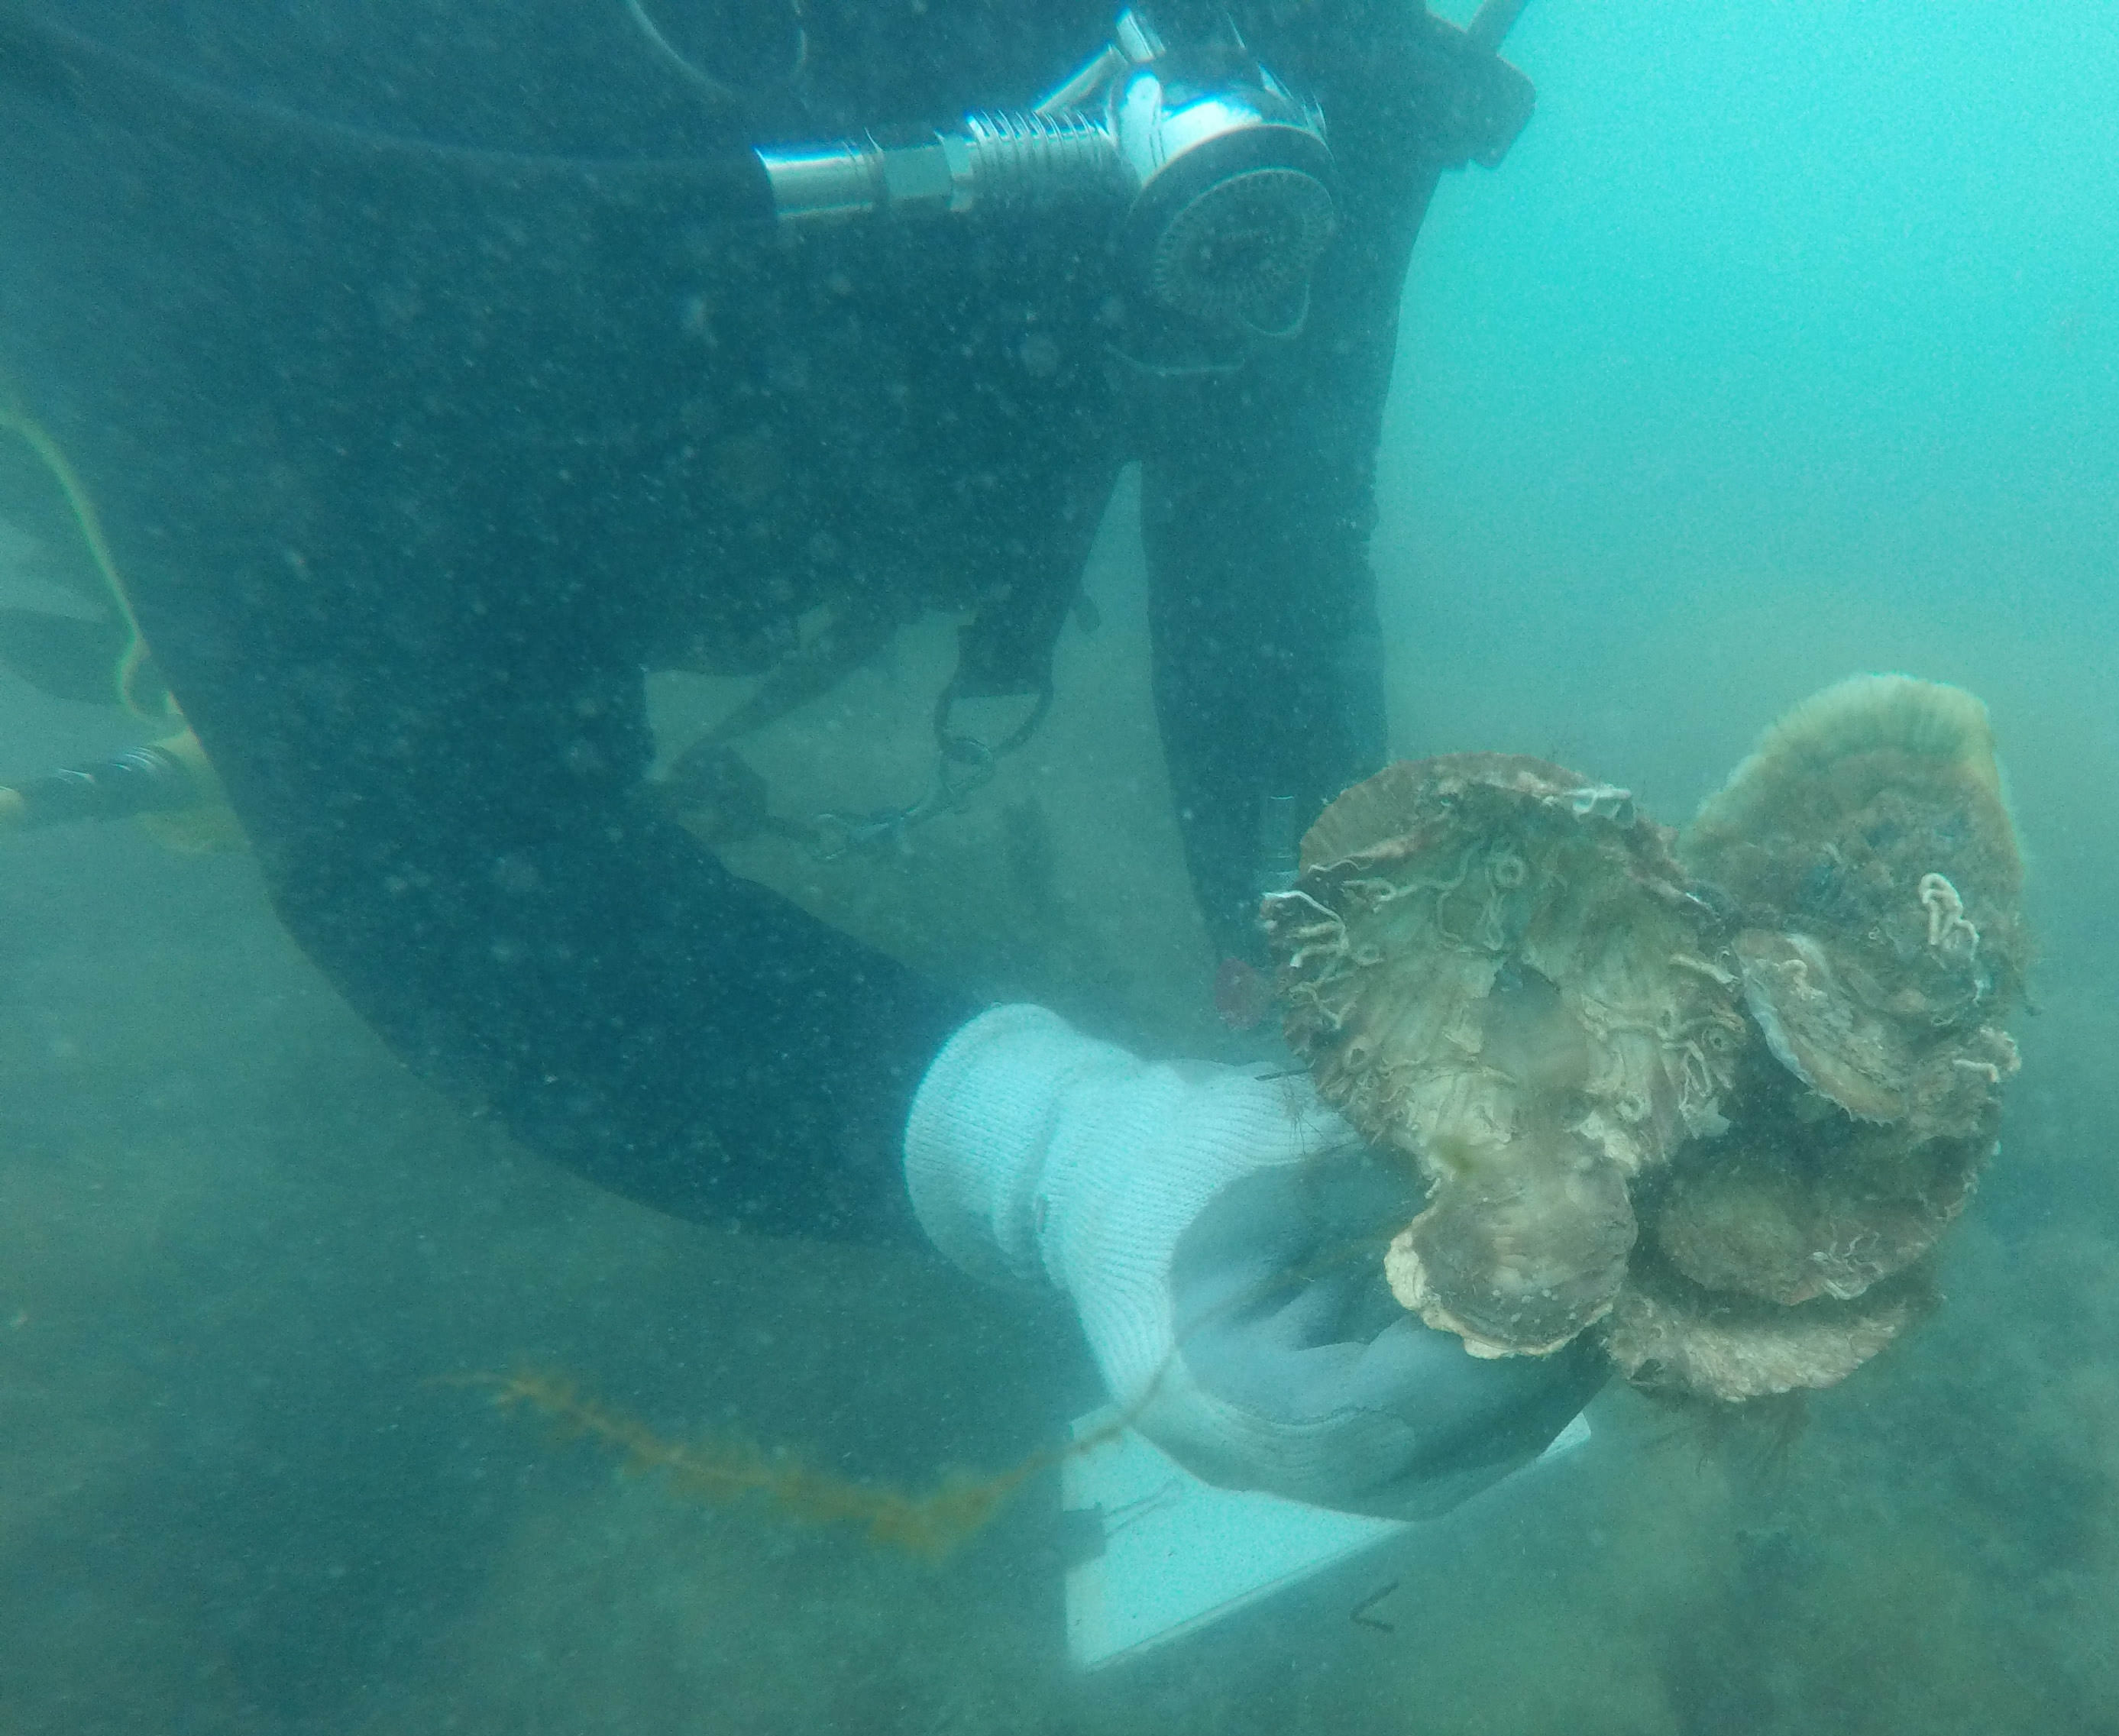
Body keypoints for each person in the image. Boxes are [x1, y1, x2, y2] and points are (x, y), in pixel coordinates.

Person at [0, 0, 1595, 1518]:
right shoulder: (245, 102)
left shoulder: (1274, 50)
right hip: (345, 492)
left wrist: (1319, 963)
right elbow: (439, 844)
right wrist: (1049, 1153)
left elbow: (1268, 512)